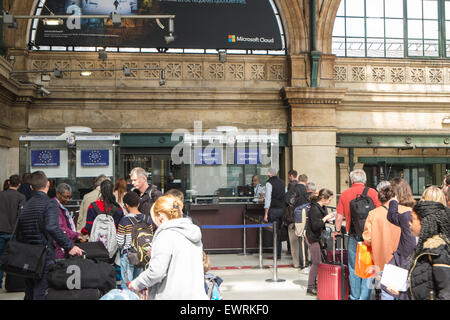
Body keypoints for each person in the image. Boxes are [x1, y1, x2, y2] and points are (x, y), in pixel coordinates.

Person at [16, 171, 83, 300]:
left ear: (31, 187)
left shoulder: (25, 205)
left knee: (29, 291)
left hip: (27, 254)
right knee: (41, 291)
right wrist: (70, 246)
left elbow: (20, 232)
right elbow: (52, 227)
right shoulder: (50, 204)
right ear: (48, 184)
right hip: (43, 254)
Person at [128, 195, 209, 300]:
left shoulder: (165, 235)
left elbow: (156, 272)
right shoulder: (192, 232)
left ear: (160, 216)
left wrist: (137, 283)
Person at [333, 168, 381, 300]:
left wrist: (337, 230)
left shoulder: (345, 194)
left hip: (354, 234)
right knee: (369, 265)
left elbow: (339, 217)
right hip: (371, 235)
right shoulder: (373, 192)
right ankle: (364, 297)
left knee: (353, 267)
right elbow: (380, 212)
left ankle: (354, 296)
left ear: (351, 180)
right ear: (364, 180)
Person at [362, 182, 401, 299]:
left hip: (382, 259)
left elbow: (367, 238)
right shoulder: (405, 211)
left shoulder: (373, 214)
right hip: (401, 259)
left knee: (386, 293)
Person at [407, 200, 450, 300]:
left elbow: (446, 293)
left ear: (424, 222)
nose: (410, 224)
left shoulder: (439, 253)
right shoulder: (426, 249)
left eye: (412, 220)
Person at [382, 177, 416, 300]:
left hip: (395, 260)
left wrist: (393, 202)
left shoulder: (377, 212)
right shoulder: (415, 212)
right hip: (410, 261)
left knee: (389, 292)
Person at [117, 191, 151, 289]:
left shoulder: (124, 221)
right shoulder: (148, 219)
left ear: (126, 205)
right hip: (143, 255)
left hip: (128, 255)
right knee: (139, 286)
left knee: (127, 286)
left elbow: (120, 242)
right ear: (139, 203)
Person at [305, 188, 335, 296]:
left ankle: (315, 284)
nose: (330, 202)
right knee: (316, 262)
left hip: (316, 237)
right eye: (329, 200)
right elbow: (315, 225)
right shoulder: (314, 208)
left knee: (318, 261)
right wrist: (325, 218)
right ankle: (310, 287)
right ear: (323, 198)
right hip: (312, 238)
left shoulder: (321, 207)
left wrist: (326, 219)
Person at [0, 174, 26, 289]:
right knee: (13, 259)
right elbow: (21, 216)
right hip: (14, 232)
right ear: (19, 184)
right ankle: (12, 284)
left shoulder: (1, 195)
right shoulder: (21, 197)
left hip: (1, 231)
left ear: (9, 183)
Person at [52, 183, 86, 259]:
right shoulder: (54, 207)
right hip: (59, 248)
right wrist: (76, 235)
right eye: (66, 197)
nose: (68, 200)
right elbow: (61, 228)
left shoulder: (58, 206)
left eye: (70, 197)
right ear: (58, 194)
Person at [262, 167, 287, 260]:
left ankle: (276, 254)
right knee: (279, 232)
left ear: (269, 174)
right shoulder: (283, 182)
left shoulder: (269, 183)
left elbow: (268, 199)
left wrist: (266, 213)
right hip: (282, 210)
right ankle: (278, 253)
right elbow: (285, 195)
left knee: (274, 233)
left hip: (273, 210)